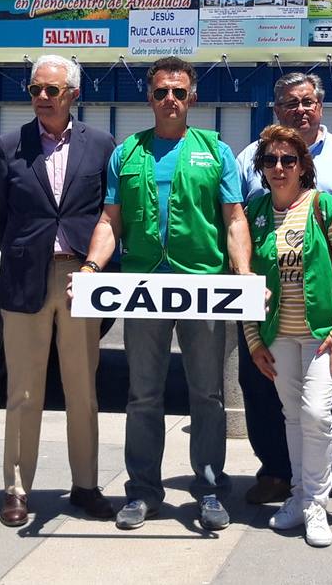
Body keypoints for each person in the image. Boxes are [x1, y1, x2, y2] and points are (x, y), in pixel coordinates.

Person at [78, 55, 253, 531]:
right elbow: (111, 220)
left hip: (203, 285)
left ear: (192, 98)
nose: (170, 99)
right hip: (144, 287)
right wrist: (93, 266)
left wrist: (241, 271)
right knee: (143, 395)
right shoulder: (127, 153)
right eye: (161, 92)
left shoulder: (215, 150)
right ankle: (142, 492)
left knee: (208, 395)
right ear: (150, 97)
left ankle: (211, 490)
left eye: (179, 92)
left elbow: (235, 218)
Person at [235, 72, 332, 508]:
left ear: (319, 106)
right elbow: (239, 221)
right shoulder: (252, 156)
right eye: (289, 103)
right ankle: (277, 473)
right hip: (269, 305)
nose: (299, 110)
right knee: (264, 388)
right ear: (276, 109)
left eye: (307, 102)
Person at [0, 55, 117, 527]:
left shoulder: (101, 145)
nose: (42, 97)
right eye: (35, 89)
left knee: (82, 389)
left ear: (73, 95)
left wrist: (95, 266)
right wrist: (22, 253)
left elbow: (110, 213)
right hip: (26, 280)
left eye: (51, 90)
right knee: (22, 391)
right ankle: (17, 489)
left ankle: (85, 485)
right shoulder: (7, 146)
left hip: (82, 279)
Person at [244, 125, 332, 548]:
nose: (279, 168)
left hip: (320, 336)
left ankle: (317, 504)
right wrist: (253, 341)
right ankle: (298, 496)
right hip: (277, 335)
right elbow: (246, 283)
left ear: (303, 166)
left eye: (288, 160)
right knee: (293, 417)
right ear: (261, 167)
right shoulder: (255, 210)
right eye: (270, 160)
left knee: (316, 415)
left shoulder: (322, 206)